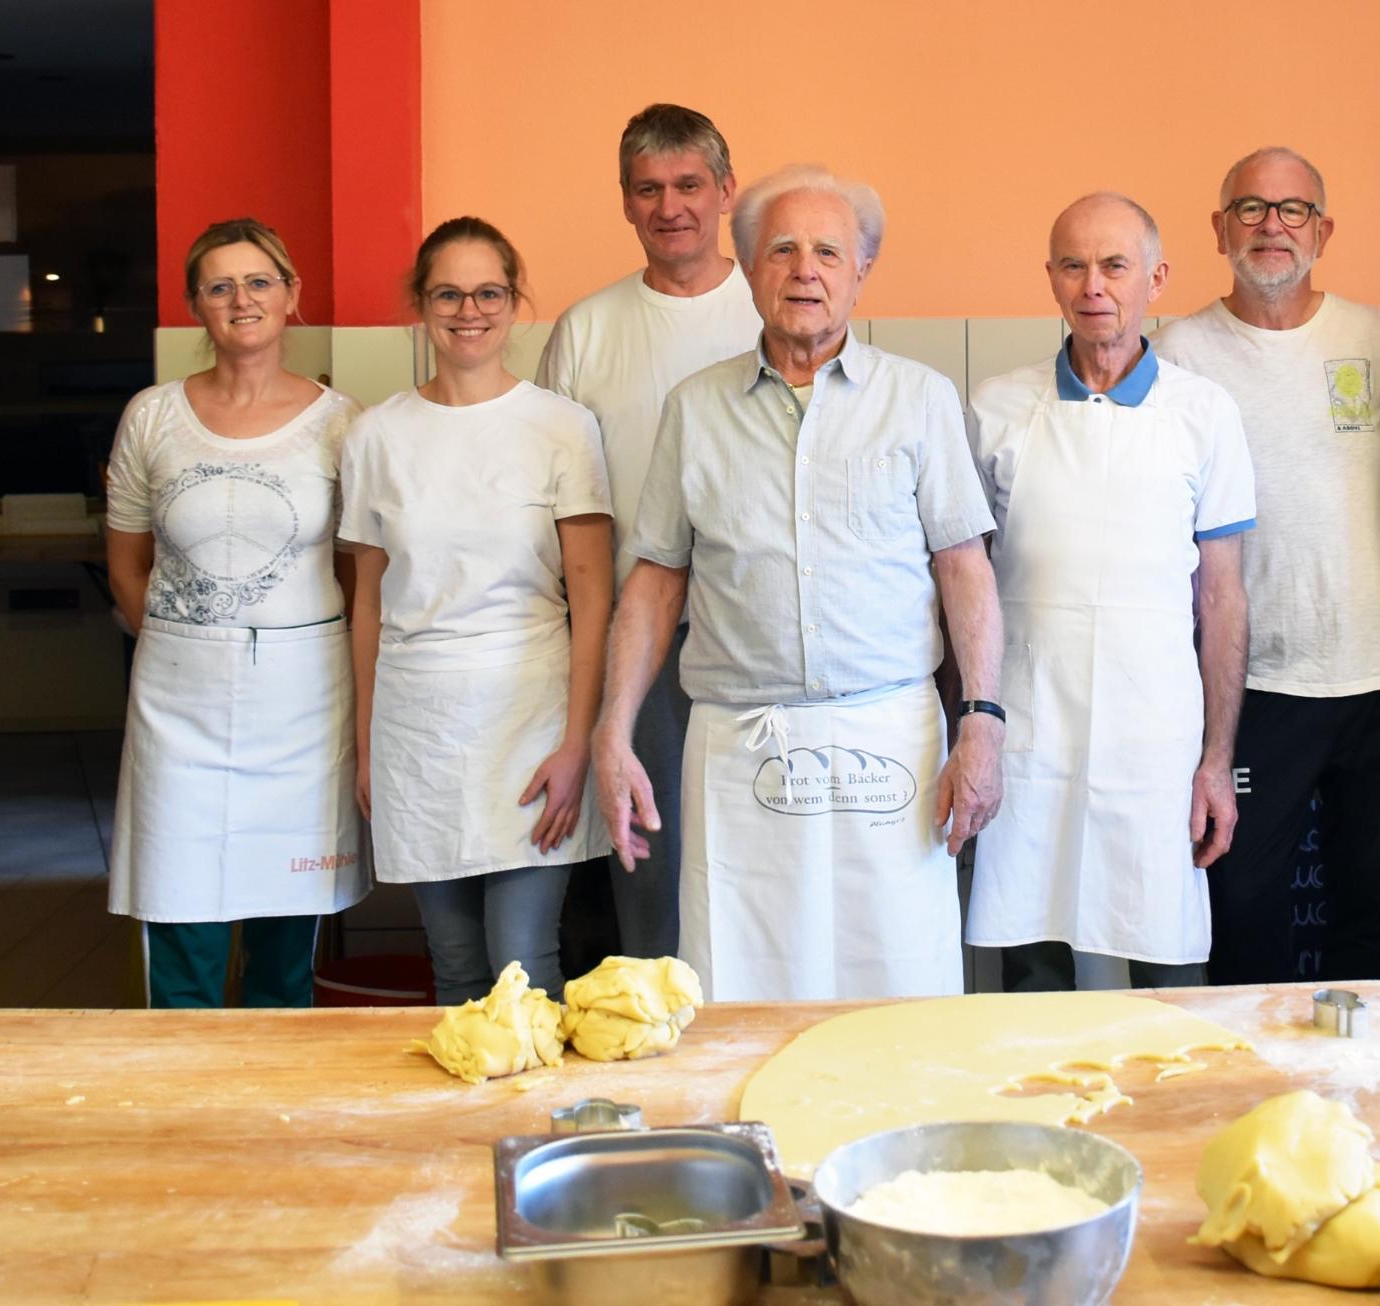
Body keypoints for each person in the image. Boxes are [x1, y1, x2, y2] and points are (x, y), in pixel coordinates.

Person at [593, 165, 1003, 1002]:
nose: (804, 270)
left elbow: (965, 569)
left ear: (861, 271)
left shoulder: (920, 400)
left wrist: (983, 723)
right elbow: (656, 580)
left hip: (892, 736)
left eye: (827, 251)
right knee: (745, 982)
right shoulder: (695, 408)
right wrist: (613, 730)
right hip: (741, 744)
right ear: (748, 271)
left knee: (896, 979)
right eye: (781, 250)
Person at [964, 192, 1255, 992]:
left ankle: (1179, 1114)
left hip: (1156, 741)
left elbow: (1223, 600)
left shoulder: (1204, 413)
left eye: (1114, 265)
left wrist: (1217, 760)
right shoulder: (994, 409)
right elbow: (963, 584)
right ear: (1052, 279)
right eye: (1073, 265)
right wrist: (968, 729)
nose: (1094, 285)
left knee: (1169, 958)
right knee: (1030, 951)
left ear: (1155, 278)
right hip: (1029, 732)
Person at [1154, 147, 1380, 985]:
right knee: (1243, 911)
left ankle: (1357, 1085)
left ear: (1324, 229)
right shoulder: (1177, 352)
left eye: (1293, 209)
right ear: (1219, 228)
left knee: (1375, 912)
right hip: (1252, 688)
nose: (1273, 226)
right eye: (1252, 208)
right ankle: (1250, 1089)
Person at [340, 217, 614, 1006]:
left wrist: (578, 743)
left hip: (531, 718)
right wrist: (365, 746)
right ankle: (468, 1131)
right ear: (421, 305)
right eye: (449, 293)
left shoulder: (561, 425)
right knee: (454, 968)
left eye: (489, 291)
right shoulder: (376, 436)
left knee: (523, 967)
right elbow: (368, 605)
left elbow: (591, 597)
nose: (470, 310)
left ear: (514, 301)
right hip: (417, 731)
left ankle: (542, 1128)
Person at [105, 217, 369, 1008]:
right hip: (177, 711)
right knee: (179, 920)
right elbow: (126, 565)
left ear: (292, 296)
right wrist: (191, 652)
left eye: (258, 281)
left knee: (286, 951)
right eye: (219, 285)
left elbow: (360, 575)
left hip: (303, 712)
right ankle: (183, 1120)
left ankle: (271, 1123)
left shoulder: (344, 422)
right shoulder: (151, 417)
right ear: (196, 306)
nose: (241, 299)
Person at [537, 103, 762, 963]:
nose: (670, 207)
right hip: (641, 640)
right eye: (649, 190)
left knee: (751, 859)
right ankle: (654, 1037)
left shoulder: (774, 304)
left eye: (689, 185)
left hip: (755, 636)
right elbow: (553, 502)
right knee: (651, 867)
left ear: (727, 192)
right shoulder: (587, 330)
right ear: (626, 203)